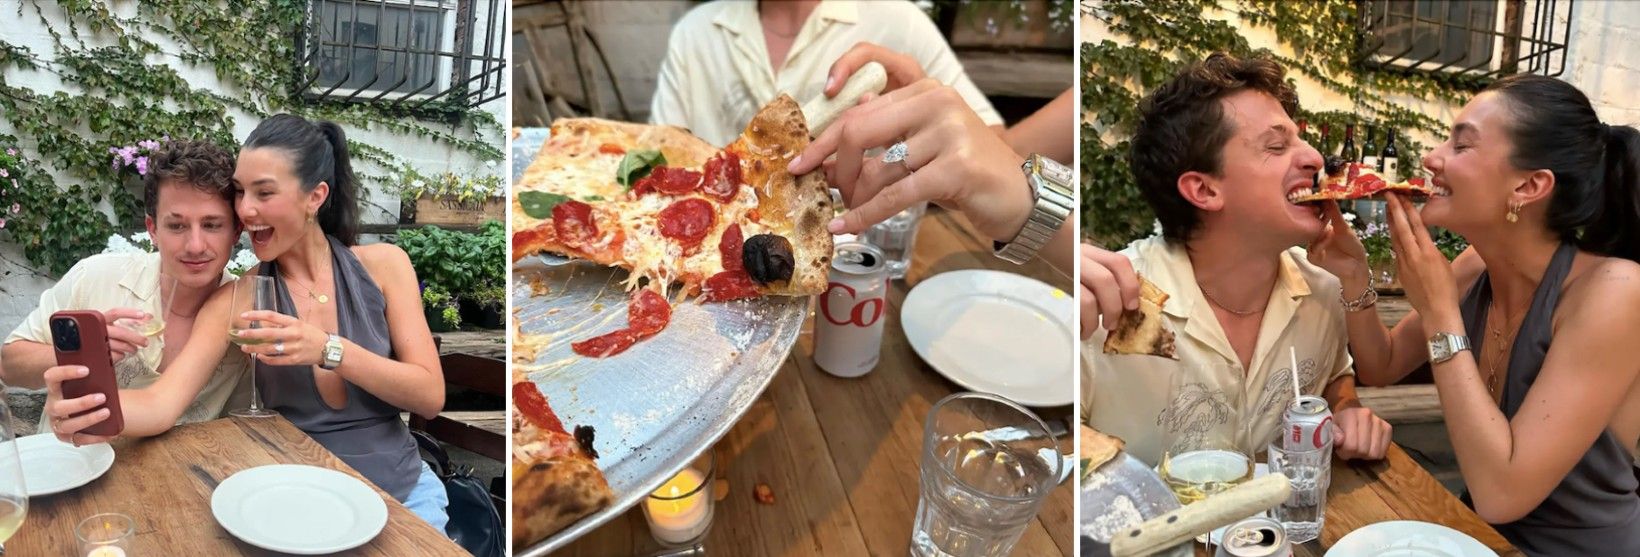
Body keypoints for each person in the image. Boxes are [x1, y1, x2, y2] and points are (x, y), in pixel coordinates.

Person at [43, 115, 451, 532]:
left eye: (264, 192)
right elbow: (161, 404)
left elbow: (429, 395)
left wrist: (328, 348)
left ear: (315, 196)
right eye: (240, 192)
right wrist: (90, 408)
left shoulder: (385, 266)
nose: (245, 209)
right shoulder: (236, 299)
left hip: (404, 492)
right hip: (300, 498)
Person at [1307, 74, 1640, 555]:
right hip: (1471, 532)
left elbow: (1502, 494)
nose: (1431, 158)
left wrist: (1441, 312)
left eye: (1461, 145)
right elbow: (1381, 365)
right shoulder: (1475, 264)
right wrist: (1354, 275)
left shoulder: (1615, 291)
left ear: (1528, 185)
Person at [1079, 53, 1392, 465]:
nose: (1316, 158)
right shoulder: (1107, 303)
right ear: (1205, 191)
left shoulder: (1323, 287)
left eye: (1300, 139)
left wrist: (1348, 409)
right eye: (1277, 145)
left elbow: (1334, 374)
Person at [2, 140, 250, 431]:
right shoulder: (96, 276)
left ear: (236, 232)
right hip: (72, 464)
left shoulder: (243, 315)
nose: (195, 246)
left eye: (211, 225)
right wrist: (80, 351)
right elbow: (8, 366)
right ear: (153, 229)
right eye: (177, 226)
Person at [651, 0, 1002, 147]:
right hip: (712, 265)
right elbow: (658, 157)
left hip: (853, 260)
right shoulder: (695, 32)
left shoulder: (899, 21)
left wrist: (929, 124)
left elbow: (997, 151)